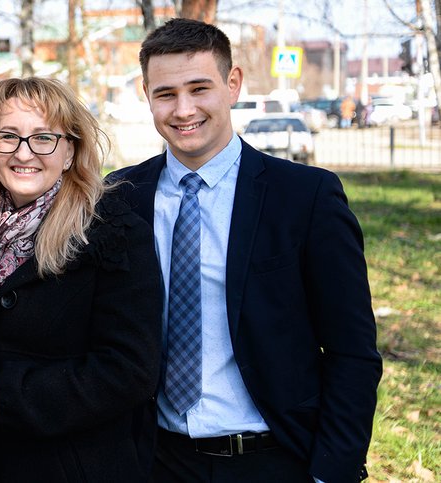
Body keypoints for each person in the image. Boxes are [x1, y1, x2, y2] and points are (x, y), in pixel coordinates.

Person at [107, 18, 382, 483]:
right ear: (147, 94)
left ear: (232, 84)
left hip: (271, 458)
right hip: (155, 459)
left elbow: (351, 350)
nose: (183, 109)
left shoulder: (305, 196)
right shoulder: (121, 196)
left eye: (200, 88)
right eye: (166, 94)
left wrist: (330, 471)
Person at [0, 77, 164, 482]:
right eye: (8, 136)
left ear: (69, 151)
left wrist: (3, 396)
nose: (23, 153)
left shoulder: (110, 233)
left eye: (43, 138)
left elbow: (129, 371)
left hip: (79, 466)